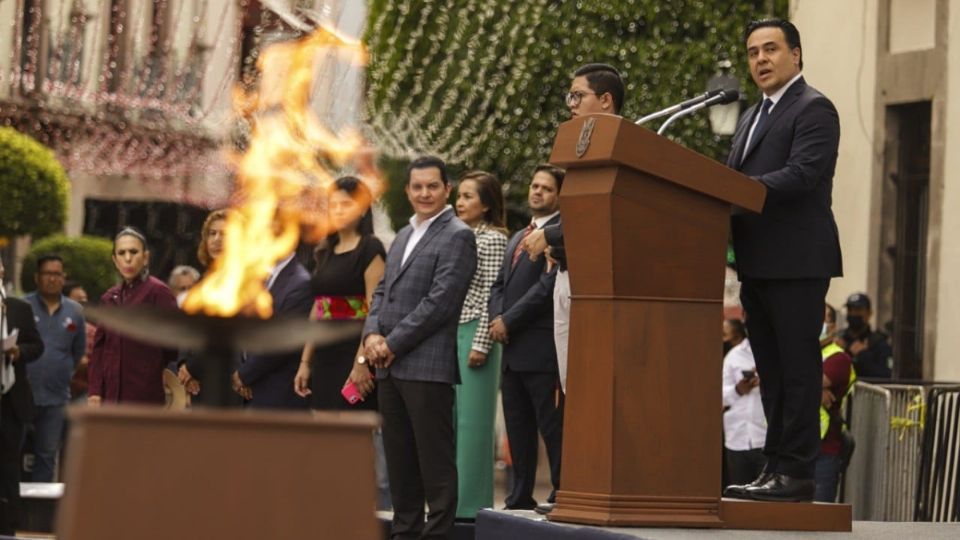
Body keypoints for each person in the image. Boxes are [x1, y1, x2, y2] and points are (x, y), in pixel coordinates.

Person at [723, 18, 842, 503]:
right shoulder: (752, 116)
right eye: (753, 52)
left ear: (796, 54)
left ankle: (796, 471)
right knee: (771, 370)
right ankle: (773, 466)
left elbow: (803, 173)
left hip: (796, 261)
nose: (761, 60)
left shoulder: (814, 109)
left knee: (796, 368)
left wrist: (737, 193)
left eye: (771, 49)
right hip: (756, 262)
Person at [362, 156, 477, 539]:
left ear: (447, 189)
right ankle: (404, 533)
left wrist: (391, 343)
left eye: (432, 186)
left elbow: (440, 303)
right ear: (408, 191)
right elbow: (381, 292)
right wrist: (372, 337)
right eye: (417, 187)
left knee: (435, 465)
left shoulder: (458, 234)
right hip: (388, 367)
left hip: (426, 367)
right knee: (400, 464)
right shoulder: (402, 234)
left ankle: (439, 535)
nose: (424, 193)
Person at [521, 63, 625, 392]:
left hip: (601, 286)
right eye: (571, 96)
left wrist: (550, 235)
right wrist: (557, 244)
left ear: (606, 100)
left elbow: (603, 213)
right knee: (572, 386)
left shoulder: (625, 147)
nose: (571, 104)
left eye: (578, 96)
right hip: (567, 275)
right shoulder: (581, 150)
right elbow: (577, 214)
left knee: (592, 386)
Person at [489, 164, 563, 512]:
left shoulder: (560, 236)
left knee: (551, 424)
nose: (537, 192)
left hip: (541, 346)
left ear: (560, 196)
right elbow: (499, 285)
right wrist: (495, 319)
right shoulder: (518, 236)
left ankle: (561, 490)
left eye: (546, 188)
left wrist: (509, 320)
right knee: (517, 427)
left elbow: (547, 288)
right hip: (511, 347)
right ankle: (519, 493)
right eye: (534, 185)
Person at [294, 176, 385, 412]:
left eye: (346, 204)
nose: (338, 210)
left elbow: (375, 310)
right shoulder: (325, 250)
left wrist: (361, 363)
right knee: (324, 436)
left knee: (353, 438)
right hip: (325, 355)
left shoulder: (371, 248)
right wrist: (305, 362)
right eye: (333, 205)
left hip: (355, 352)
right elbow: (318, 308)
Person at [452, 171, 509, 519]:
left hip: (477, 331)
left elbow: (492, 295)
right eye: (459, 195)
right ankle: (451, 502)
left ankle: (471, 507)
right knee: (454, 420)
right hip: (450, 331)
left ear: (487, 204)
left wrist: (481, 344)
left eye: (469, 196)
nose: (460, 202)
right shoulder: (456, 235)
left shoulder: (493, 240)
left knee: (474, 423)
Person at [88, 227, 179, 405]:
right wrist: (95, 391)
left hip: (144, 396)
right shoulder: (109, 298)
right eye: (121, 253)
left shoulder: (158, 292)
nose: (127, 258)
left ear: (145, 257)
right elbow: (99, 351)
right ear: (115, 260)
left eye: (133, 252)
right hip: (110, 397)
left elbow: (174, 345)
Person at [23, 255, 86, 482]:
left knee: (47, 456)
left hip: (56, 397)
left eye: (57, 274)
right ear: (37, 277)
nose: (52, 278)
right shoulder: (23, 306)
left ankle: (40, 515)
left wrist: (63, 370)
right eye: (47, 273)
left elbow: (79, 352)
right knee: (11, 452)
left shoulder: (75, 312)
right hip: (22, 396)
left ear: (63, 277)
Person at [235, 242, 313, 409]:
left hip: (278, 394)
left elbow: (282, 342)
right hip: (249, 390)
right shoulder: (256, 276)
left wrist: (243, 375)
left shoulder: (300, 283)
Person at [0, 258, 44, 535]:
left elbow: (36, 345)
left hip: (10, 400)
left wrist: (18, 352)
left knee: (8, 468)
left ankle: (8, 526)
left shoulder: (19, 308)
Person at [178, 210, 229, 401]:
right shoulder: (203, 281)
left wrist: (192, 368)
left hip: (223, 379)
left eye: (224, 234)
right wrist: (183, 364)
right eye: (212, 233)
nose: (216, 239)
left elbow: (223, 333)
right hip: (196, 380)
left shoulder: (239, 284)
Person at [721, 319, 766, 488]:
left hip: (765, 439)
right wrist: (739, 389)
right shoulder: (733, 356)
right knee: (738, 497)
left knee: (765, 500)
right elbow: (720, 397)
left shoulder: (776, 353)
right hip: (737, 438)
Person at [817, 303, 854, 502]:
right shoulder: (798, 353)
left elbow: (787, 378)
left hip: (824, 450)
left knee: (819, 519)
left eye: (822, 318)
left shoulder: (837, 357)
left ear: (832, 327)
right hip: (793, 449)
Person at [838, 292, 892, 379]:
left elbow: (886, 375)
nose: (853, 314)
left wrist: (863, 355)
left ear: (869, 313)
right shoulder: (839, 339)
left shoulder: (878, 343)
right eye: (850, 310)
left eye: (857, 310)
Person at [64, 281, 95, 401]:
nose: (83, 303)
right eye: (78, 299)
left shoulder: (93, 331)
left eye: (85, 298)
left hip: (86, 392)